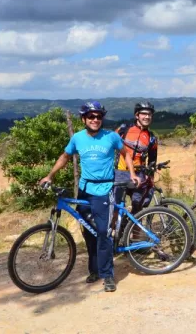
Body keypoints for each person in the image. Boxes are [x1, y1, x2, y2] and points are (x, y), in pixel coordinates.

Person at [39, 101, 139, 292]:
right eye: (91, 116)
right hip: (85, 188)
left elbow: (126, 154)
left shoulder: (111, 136)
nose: (95, 119)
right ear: (84, 119)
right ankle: (94, 270)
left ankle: (108, 275)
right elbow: (65, 157)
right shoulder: (77, 138)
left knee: (103, 232)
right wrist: (50, 176)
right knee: (88, 231)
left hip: (104, 190)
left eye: (98, 116)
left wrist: (132, 173)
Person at [113, 101, 158, 217]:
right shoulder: (124, 129)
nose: (147, 117)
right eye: (144, 114)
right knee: (115, 207)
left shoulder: (152, 137)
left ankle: (133, 232)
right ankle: (114, 231)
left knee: (139, 209)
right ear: (137, 115)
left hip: (139, 175)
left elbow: (153, 160)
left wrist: (151, 177)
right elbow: (110, 143)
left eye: (149, 114)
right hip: (121, 172)